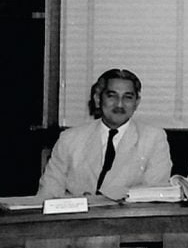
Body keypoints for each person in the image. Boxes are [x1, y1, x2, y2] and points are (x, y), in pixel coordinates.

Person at [37, 68, 171, 198]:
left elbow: (153, 195)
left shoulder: (153, 139)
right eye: (112, 96)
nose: (119, 104)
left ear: (137, 103)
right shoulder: (70, 139)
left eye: (128, 97)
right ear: (97, 99)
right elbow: (48, 193)